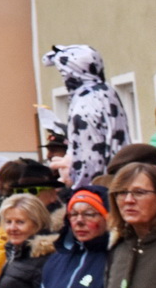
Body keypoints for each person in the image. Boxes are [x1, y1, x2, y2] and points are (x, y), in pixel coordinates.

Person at [45, 45, 131, 189]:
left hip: (98, 189)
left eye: (64, 74)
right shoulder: (106, 92)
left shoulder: (86, 103)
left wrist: (80, 187)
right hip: (116, 180)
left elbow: (90, 156)